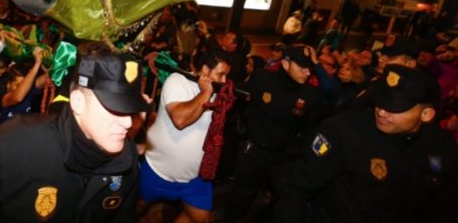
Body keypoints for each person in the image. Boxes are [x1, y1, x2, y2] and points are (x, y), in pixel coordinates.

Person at [0, 44, 150, 222]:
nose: (128, 122)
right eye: (113, 109)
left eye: (130, 110)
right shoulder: (14, 145)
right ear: (78, 102)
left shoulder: (126, 159)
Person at [275, 65, 458, 222]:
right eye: (381, 102)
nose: (382, 112)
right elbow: (297, 187)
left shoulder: (443, 147)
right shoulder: (343, 131)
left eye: (395, 108)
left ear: (426, 114)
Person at [224, 45, 323, 222]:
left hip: (282, 156)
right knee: (241, 195)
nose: (307, 73)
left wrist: (293, 152)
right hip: (254, 150)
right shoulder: (262, 79)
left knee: (281, 199)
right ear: (285, 63)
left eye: (309, 68)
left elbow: (308, 129)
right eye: (301, 67)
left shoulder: (310, 95)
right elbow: (238, 99)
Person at [139, 50, 230, 223]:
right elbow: (180, 119)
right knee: (135, 207)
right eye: (221, 74)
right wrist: (205, 93)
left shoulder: (218, 92)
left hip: (194, 176)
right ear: (204, 70)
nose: (224, 81)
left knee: (200, 219)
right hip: (157, 169)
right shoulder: (177, 81)